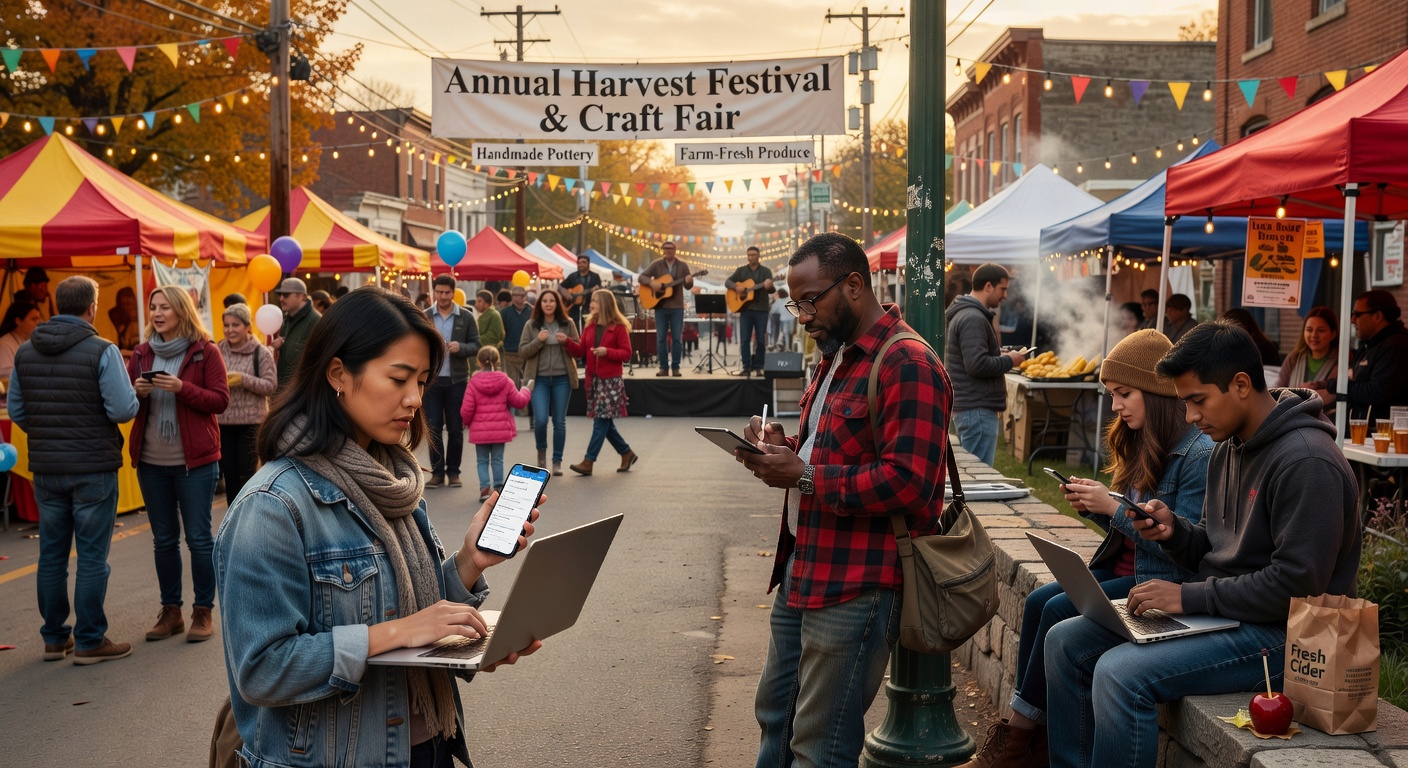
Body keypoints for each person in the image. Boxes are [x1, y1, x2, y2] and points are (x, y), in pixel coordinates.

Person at [214, 287, 541, 768]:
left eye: (424, 382)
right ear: (338, 374)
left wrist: (471, 563)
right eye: (399, 378)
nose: (414, 399)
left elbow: (417, 615)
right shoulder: (273, 504)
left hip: (430, 745)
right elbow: (262, 670)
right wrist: (390, 634)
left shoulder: (395, 480)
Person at [1044, 321, 1360, 768]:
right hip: (1224, 615)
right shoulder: (1228, 444)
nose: (1190, 417)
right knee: (1064, 641)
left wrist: (1188, 595)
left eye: (1197, 400)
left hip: (1287, 637)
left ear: (1241, 384)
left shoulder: (1307, 461)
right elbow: (1214, 546)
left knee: (1119, 675)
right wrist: (1174, 533)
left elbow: (1298, 586)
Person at [736, 232, 951, 768]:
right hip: (803, 569)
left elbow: (912, 484)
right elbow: (829, 450)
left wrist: (805, 476)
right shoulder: (837, 356)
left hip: (857, 585)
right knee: (776, 721)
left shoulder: (908, 362)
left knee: (821, 745)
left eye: (810, 300)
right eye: (796, 302)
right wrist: (782, 448)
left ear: (854, 285)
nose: (802, 315)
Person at [962, 329, 1213, 768]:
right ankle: (1026, 738)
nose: (1114, 406)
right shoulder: (1141, 439)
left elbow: (1182, 546)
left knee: (1059, 614)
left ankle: (1026, 743)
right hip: (1128, 568)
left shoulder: (1196, 455)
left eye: (1123, 394)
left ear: (1155, 392)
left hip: (1158, 582)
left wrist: (1112, 509)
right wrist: (1097, 508)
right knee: (1041, 601)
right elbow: (1133, 522)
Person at [9, 276, 139, 665]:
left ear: (56, 304)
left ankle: (53, 638)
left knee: (51, 554)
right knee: (91, 556)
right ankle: (89, 639)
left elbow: (17, 411)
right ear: (92, 308)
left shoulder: (26, 351)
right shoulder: (103, 349)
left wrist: (51, 431)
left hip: (47, 467)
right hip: (92, 466)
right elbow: (122, 409)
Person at [127, 284, 230, 645]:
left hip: (195, 462)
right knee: (163, 540)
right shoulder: (141, 354)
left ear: (181, 311)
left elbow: (220, 401)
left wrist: (180, 388)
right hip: (151, 461)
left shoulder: (205, 352)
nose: (157, 313)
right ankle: (170, 610)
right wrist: (136, 393)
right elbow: (125, 404)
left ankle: (203, 611)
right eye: (153, 307)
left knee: (199, 539)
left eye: (165, 307)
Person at [944, 263, 1025, 466]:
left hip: (971, 407)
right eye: (1003, 289)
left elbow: (974, 356)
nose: (1005, 295)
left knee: (972, 474)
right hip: (976, 409)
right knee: (976, 477)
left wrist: (999, 354)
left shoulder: (969, 314)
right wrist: (1010, 360)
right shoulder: (973, 317)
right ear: (988, 286)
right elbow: (976, 364)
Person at [565, 289, 638, 476]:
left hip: (610, 380)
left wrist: (608, 352)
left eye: (595, 301)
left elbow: (627, 353)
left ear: (605, 303)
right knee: (605, 422)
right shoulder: (590, 326)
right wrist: (566, 342)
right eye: (592, 300)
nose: (591, 304)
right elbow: (581, 351)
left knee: (601, 421)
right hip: (594, 380)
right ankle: (626, 452)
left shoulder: (619, 327)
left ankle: (589, 461)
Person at [423, 275, 482, 489]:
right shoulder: (425, 316)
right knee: (433, 427)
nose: (443, 296)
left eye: (447, 292)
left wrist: (461, 348)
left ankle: (454, 472)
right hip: (431, 381)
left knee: (456, 429)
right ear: (434, 292)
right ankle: (437, 473)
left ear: (453, 292)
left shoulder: (465, 316)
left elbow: (477, 345)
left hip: (457, 380)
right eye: (439, 292)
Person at [217, 303, 277, 507]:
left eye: (236, 325)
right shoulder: (217, 350)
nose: (230, 330)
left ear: (247, 327)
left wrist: (243, 379)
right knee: (230, 476)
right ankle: (233, 517)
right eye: (226, 325)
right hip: (223, 422)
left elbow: (270, 386)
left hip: (251, 424)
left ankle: (250, 515)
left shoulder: (260, 352)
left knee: (248, 476)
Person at [460, 346, 533, 502]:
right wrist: (526, 389)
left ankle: (484, 489)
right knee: (497, 459)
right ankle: (498, 488)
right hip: (500, 430)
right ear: (497, 361)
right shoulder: (505, 380)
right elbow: (519, 402)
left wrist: (466, 423)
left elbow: (467, 408)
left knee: (482, 460)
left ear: (479, 362)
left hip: (480, 431)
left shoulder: (473, 382)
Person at [518, 288, 579, 475]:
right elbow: (523, 352)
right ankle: (541, 456)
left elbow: (578, 349)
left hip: (562, 378)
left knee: (559, 421)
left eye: (552, 301)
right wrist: (538, 341)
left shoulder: (567, 323)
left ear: (557, 303)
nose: (549, 304)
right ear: (540, 304)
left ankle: (557, 461)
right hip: (539, 380)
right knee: (541, 419)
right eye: (545, 301)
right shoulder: (531, 325)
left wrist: (567, 341)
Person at [1337, 289, 1408, 418]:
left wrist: (1337, 389)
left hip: (1381, 433)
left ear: (1377, 316)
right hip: (1362, 428)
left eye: (1357, 314)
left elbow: (1378, 392)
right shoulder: (1369, 345)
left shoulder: (1396, 346)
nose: (1352, 320)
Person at [638, 241, 696, 376]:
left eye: (670, 248)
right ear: (662, 250)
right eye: (665, 248)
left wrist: (689, 281)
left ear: (675, 250)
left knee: (677, 338)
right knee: (661, 338)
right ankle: (663, 367)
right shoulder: (656, 264)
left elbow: (688, 286)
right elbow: (642, 277)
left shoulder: (682, 265)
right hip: (660, 307)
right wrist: (652, 283)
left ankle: (676, 367)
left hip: (677, 307)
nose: (668, 251)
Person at [725, 246, 776, 377]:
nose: (751, 257)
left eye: (754, 255)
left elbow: (770, 290)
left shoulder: (765, 272)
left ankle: (759, 366)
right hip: (745, 310)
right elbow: (727, 282)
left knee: (760, 339)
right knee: (745, 339)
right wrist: (736, 288)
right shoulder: (741, 271)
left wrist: (770, 286)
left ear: (759, 256)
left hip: (761, 310)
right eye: (749, 255)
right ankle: (746, 367)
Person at [1281, 306, 1339, 411]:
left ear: (1333, 334)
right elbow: (1279, 390)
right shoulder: (1293, 358)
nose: (1314, 335)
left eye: (1321, 330)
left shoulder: (1341, 362)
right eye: (1309, 330)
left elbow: (1333, 396)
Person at [272, 277, 321, 387]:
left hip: (302, 390)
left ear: (301, 296)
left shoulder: (315, 320)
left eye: (286, 295)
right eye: (280, 295)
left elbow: (318, 360)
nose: (281, 299)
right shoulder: (287, 318)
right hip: (285, 389)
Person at [500, 286, 533, 388]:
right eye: (515, 295)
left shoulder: (532, 311)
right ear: (512, 297)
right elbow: (502, 330)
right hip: (510, 351)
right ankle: (515, 403)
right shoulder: (505, 312)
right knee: (513, 382)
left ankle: (527, 403)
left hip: (528, 351)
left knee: (528, 381)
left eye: (521, 295)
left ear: (525, 297)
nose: (518, 298)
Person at [0, 300, 42, 380]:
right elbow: (6, 378)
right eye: (34, 319)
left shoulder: (31, 342)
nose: (38, 323)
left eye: (39, 319)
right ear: (18, 321)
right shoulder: (4, 345)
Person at [561, 254, 603, 330]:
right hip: (573, 309)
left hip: (589, 308)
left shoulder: (594, 276)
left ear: (588, 264)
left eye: (584, 262)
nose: (581, 264)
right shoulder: (572, 276)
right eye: (579, 263)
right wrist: (567, 294)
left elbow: (600, 290)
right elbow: (560, 287)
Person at [107, 286, 140, 352]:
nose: (127, 307)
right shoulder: (120, 322)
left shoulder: (143, 317)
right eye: (123, 304)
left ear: (134, 302)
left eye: (128, 303)